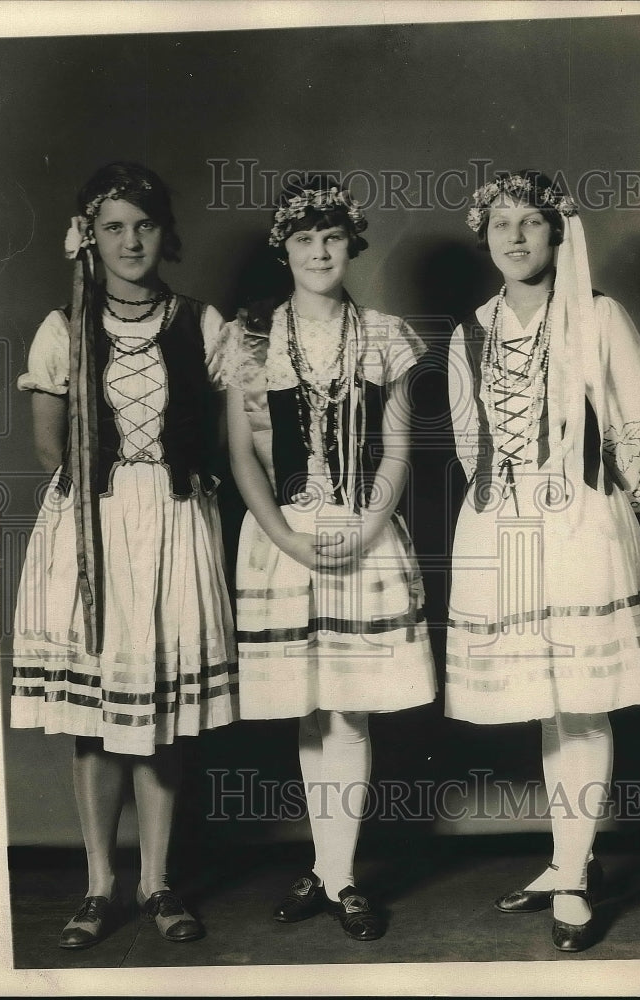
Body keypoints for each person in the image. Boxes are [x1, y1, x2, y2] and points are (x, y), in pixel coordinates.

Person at [11, 162, 238, 949]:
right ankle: (100, 884)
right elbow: (51, 447)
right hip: (94, 525)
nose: (130, 240)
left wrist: (183, 490)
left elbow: (237, 429)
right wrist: (106, 515)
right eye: (113, 227)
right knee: (97, 714)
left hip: (176, 521)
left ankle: (158, 881)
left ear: (162, 232)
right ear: (90, 238)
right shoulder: (62, 326)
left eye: (143, 224)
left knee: (163, 711)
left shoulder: (200, 322)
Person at [445, 170, 640, 952]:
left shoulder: (596, 317)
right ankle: (567, 855)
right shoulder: (468, 331)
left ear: (556, 234)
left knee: (583, 698)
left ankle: (572, 873)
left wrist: (612, 518)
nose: (514, 237)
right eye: (500, 224)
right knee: (548, 700)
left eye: (530, 223)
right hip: (506, 533)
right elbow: (472, 440)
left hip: (578, 523)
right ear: (486, 238)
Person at [223, 176, 437, 941]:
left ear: (352, 245)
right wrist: (285, 536)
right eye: (304, 238)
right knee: (307, 705)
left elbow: (401, 446)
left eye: (332, 237)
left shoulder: (383, 334)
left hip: (360, 530)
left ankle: (340, 876)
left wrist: (369, 523)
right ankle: (328, 863)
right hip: (282, 535)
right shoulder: (249, 339)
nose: (319, 251)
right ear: (283, 249)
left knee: (347, 703)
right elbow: (243, 453)